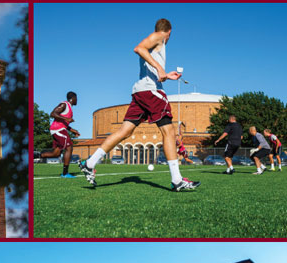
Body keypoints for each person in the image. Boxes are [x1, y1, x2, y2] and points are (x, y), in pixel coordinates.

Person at [79, 18, 199, 191]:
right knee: (168, 131)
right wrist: (159, 68)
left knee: (125, 131)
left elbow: (146, 56)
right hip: (151, 91)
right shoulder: (160, 36)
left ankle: (89, 163)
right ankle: (177, 180)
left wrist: (166, 73)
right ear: (169, 31)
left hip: (140, 91)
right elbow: (138, 48)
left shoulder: (157, 44)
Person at [38, 91, 81, 177]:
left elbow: (64, 123)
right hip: (58, 129)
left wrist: (72, 130)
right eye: (76, 98)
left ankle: (35, 155)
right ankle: (65, 173)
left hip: (59, 129)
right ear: (72, 98)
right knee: (69, 147)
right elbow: (53, 114)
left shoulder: (70, 109)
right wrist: (67, 119)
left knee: (56, 153)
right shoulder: (64, 104)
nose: (77, 100)